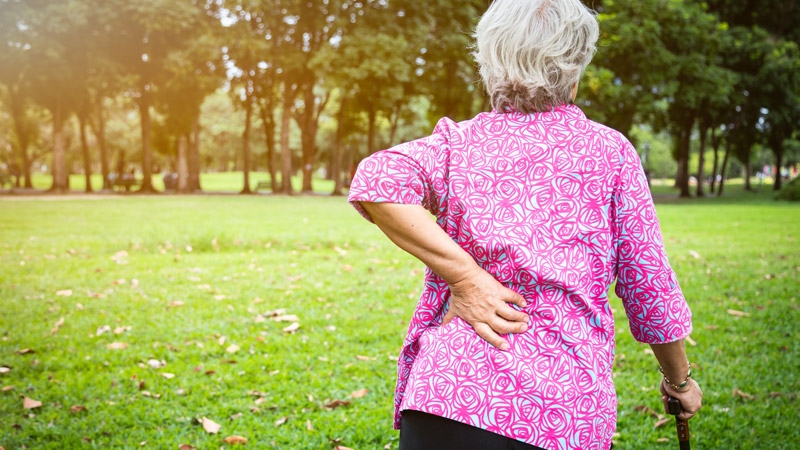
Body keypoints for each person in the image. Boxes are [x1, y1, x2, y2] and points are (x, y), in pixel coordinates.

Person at [346, 0, 702, 448]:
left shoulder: (458, 144)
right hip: (560, 409)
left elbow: (377, 178)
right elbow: (650, 289)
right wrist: (680, 382)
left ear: (490, 62)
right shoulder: (609, 153)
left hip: (446, 399)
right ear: (575, 69)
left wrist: (465, 278)